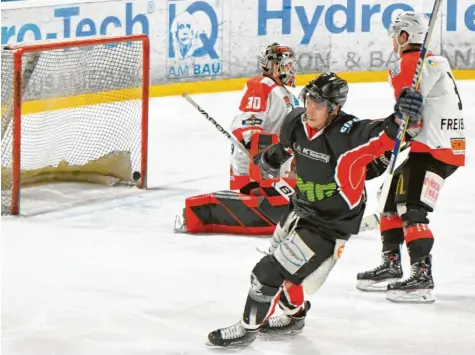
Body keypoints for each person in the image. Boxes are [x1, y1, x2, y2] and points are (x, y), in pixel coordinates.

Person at [206, 72, 424, 347]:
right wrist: (269, 160)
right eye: (309, 100)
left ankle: (247, 329)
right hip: (297, 210)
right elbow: (284, 149)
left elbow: (387, 132)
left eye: (319, 104)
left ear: (334, 109)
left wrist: (405, 116)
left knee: (266, 274)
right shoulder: (296, 122)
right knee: (288, 281)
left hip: (329, 226)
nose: (310, 108)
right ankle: (295, 316)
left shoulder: (351, 135)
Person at [356, 11, 465, 304]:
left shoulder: (406, 64)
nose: (393, 39)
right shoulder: (436, 60)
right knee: (390, 198)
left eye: (396, 34)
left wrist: (384, 147)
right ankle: (392, 264)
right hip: (444, 145)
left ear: (404, 36)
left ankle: (421, 276)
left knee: (411, 208)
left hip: (431, 150)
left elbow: (411, 122)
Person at [174, 43, 299, 235]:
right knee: (278, 211)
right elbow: (248, 124)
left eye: (291, 65)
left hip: (277, 165)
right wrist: (259, 152)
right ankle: (199, 213)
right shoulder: (261, 85)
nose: (290, 69)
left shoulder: (286, 94)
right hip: (258, 167)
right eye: (286, 65)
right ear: (273, 67)